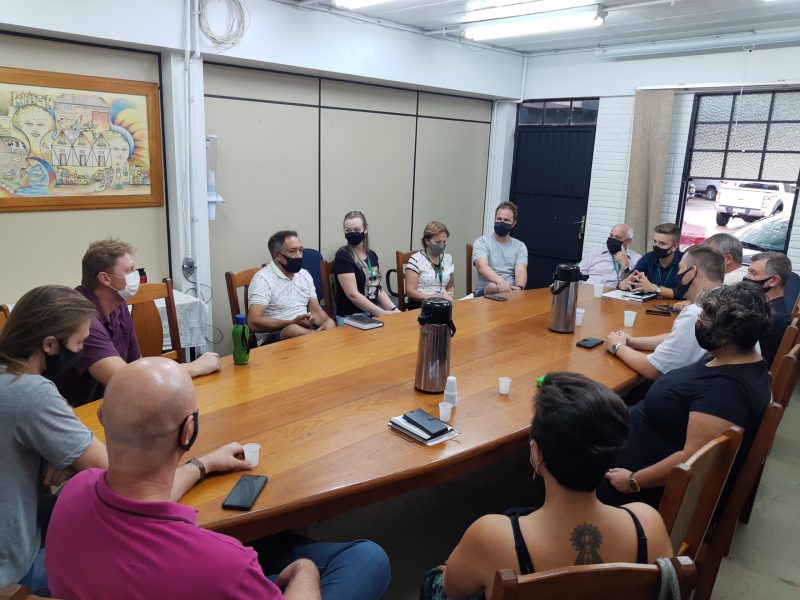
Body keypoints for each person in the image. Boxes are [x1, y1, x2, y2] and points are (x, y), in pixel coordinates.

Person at [45, 358, 391, 600]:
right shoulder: (223, 566)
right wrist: (305, 572)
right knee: (367, 558)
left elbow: (141, 493)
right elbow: (221, 567)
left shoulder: (74, 491)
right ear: (188, 430)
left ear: (103, 417)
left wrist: (204, 465)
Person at [421, 373, 672, 600]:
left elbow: (445, 591)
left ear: (536, 452)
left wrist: (442, 570)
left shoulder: (492, 538)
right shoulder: (648, 525)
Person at [600, 282, 772, 508]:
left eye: (705, 317)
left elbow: (693, 459)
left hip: (639, 487)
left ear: (727, 333)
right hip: (638, 443)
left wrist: (632, 481)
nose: (699, 321)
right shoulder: (735, 358)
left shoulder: (726, 392)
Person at [0, 285, 106, 596]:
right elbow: (108, 468)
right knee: (126, 563)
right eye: (80, 343)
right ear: (49, 344)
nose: (82, 350)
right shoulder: (30, 391)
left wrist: (60, 451)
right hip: (14, 574)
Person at [52, 238, 220, 407]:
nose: (136, 276)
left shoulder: (118, 304)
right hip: (81, 412)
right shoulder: (83, 318)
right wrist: (193, 367)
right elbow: (126, 381)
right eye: (129, 270)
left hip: (114, 402)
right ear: (105, 278)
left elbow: (136, 365)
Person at [605, 245, 725, 380]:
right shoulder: (723, 301)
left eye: (681, 269)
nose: (677, 274)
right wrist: (633, 341)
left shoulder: (697, 313)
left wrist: (617, 346)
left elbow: (654, 369)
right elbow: (678, 337)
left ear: (692, 272)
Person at [247, 230, 335, 345]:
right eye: (292, 251)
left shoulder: (304, 274)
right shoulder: (263, 279)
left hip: (305, 330)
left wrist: (327, 322)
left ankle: (316, 338)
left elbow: (316, 311)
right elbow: (253, 322)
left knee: (330, 322)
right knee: (293, 330)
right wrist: (291, 322)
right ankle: (317, 338)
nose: (299, 255)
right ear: (278, 256)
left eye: (300, 250)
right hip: (275, 336)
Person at [334, 210, 400, 325]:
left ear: (365, 229)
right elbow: (353, 295)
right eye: (348, 230)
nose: (352, 233)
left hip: (372, 314)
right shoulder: (343, 256)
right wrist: (382, 313)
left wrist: (394, 310)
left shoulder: (371, 255)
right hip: (351, 316)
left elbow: (377, 289)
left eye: (356, 230)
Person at [745, 251, 793, 366]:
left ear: (773, 281)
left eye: (753, 273)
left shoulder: (768, 318)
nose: (746, 276)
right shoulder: (772, 307)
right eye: (748, 271)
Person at [472, 201, 528, 295]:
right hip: (485, 291)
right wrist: (500, 282)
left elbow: (521, 271)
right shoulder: (481, 242)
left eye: (506, 220)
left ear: (513, 223)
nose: (502, 222)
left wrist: (519, 287)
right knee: (493, 287)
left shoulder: (520, 246)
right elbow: (481, 267)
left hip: (511, 292)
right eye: (499, 219)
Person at [619, 223, 683, 299]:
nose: (656, 246)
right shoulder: (649, 257)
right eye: (655, 241)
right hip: (652, 303)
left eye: (662, 243)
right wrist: (622, 284)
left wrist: (655, 288)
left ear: (674, 247)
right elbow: (632, 279)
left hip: (676, 304)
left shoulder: (684, 260)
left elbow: (683, 293)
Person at [404, 221, 455, 309]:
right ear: (427, 241)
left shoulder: (448, 258)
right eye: (438, 242)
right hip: (422, 305)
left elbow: (451, 286)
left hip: (443, 304)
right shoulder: (416, 259)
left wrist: (450, 297)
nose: (441, 245)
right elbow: (410, 292)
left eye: (444, 242)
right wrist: (436, 298)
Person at [579, 224, 642, 288]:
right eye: (611, 236)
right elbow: (578, 275)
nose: (612, 239)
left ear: (628, 241)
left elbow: (634, 285)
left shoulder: (637, 259)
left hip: (616, 292)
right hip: (590, 290)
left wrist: (625, 266)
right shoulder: (596, 252)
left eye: (618, 237)